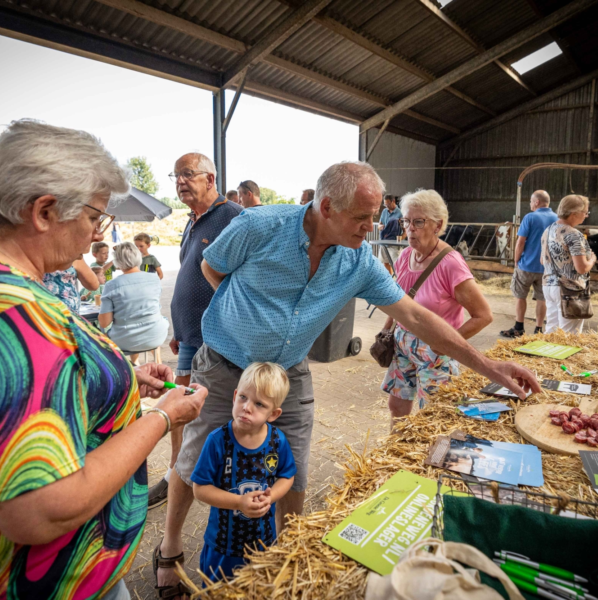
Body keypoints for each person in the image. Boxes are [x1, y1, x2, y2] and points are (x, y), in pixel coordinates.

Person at [154, 161, 540, 598]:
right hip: (226, 365)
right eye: (362, 217)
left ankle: (288, 557)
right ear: (326, 207)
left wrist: (491, 367)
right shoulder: (259, 225)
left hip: (289, 372)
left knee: (292, 465)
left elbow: (415, 316)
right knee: (193, 457)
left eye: (374, 215)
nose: (372, 226)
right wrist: (246, 320)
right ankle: (169, 551)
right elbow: (212, 268)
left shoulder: (358, 260)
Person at [0, 119, 207, 599]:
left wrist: (111, 378)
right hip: (27, 583)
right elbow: (42, 509)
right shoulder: (13, 318)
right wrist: (161, 417)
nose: (97, 231)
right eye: (96, 216)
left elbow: (7, 392)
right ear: (45, 211)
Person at [149, 153, 243, 512]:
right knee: (180, 403)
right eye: (176, 176)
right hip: (189, 332)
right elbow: (188, 274)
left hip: (220, 335)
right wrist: (177, 324)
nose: (180, 181)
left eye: (188, 174)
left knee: (216, 407)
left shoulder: (232, 216)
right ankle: (177, 470)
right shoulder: (192, 221)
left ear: (211, 178)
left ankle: (217, 475)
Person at [381, 190, 493, 430]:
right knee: (397, 407)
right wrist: (386, 330)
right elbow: (398, 298)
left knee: (432, 417)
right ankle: (395, 456)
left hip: (435, 353)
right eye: (406, 221)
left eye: (418, 222)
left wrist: (448, 343)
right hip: (402, 346)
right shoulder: (405, 256)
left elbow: (484, 315)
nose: (410, 228)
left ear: (437, 225)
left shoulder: (450, 264)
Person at [191, 362, 296, 582]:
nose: (247, 407)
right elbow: (200, 489)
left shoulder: (277, 441)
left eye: (259, 404)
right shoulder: (218, 441)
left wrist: (271, 496)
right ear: (234, 396)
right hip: (223, 545)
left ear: (273, 413)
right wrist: (239, 503)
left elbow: (287, 475)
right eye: (243, 398)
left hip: (263, 544)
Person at [99, 241, 169, 364]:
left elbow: (104, 323)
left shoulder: (111, 285)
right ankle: (154, 363)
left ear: (117, 261)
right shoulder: (154, 278)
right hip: (156, 335)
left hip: (125, 340)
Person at [500, 190, 557, 338]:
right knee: (542, 298)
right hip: (546, 267)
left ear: (537, 202)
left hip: (526, 265)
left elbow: (520, 242)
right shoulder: (556, 218)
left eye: (531, 201)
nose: (530, 204)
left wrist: (516, 260)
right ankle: (539, 329)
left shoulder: (530, 217)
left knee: (520, 296)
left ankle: (519, 328)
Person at [541, 194, 597, 335]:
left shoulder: (548, 230)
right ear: (574, 214)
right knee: (569, 334)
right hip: (568, 288)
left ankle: (547, 356)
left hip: (548, 285)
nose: (586, 216)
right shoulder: (573, 234)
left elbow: (542, 260)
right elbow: (582, 268)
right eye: (585, 213)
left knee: (552, 330)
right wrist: (592, 260)